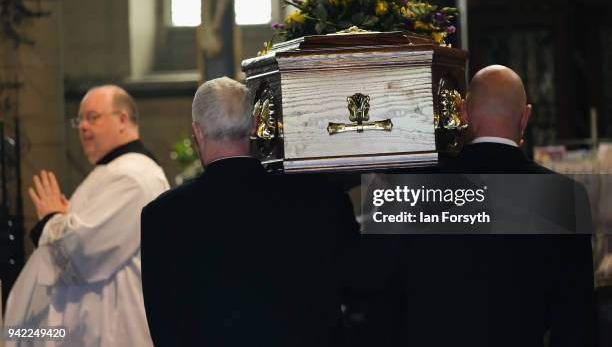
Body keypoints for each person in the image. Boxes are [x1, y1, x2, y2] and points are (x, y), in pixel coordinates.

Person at [347, 65, 595, 347]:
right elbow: (577, 324)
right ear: (525, 116)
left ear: (463, 111)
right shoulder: (563, 196)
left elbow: (365, 283)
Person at [141, 77, 358, 347]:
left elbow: (164, 327)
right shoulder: (320, 199)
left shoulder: (162, 217)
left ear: (197, 132)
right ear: (255, 125)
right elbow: (360, 287)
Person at [4, 85, 169, 347]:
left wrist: (51, 219)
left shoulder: (133, 177)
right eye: (79, 119)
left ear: (123, 120)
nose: (82, 126)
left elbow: (82, 249)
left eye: (93, 117)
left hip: (115, 331)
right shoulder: (110, 172)